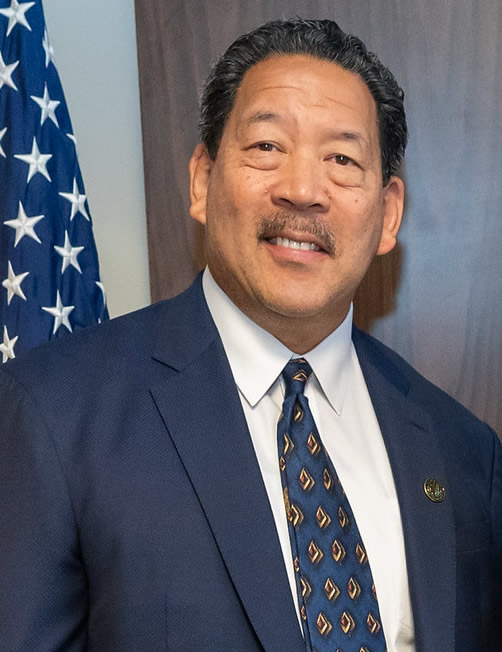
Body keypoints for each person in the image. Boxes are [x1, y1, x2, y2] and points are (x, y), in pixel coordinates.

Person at [0, 17, 500, 652]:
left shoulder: (463, 452)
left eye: (342, 159)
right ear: (202, 182)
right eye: (267, 147)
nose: (302, 190)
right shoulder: (54, 414)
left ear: (387, 214)